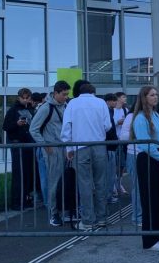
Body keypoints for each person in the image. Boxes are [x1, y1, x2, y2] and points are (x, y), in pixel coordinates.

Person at [60, 82, 111, 230]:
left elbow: (66, 127)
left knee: (85, 184)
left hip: (80, 147)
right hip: (99, 146)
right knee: (101, 182)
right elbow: (107, 126)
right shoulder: (101, 102)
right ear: (93, 92)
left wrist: (68, 147)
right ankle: (102, 217)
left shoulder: (72, 104)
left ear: (79, 92)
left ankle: (88, 220)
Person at [132, 86, 159, 251]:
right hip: (148, 161)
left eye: (156, 94)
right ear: (144, 98)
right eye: (152, 95)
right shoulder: (140, 118)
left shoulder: (156, 115)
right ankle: (150, 240)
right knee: (150, 200)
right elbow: (146, 144)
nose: (156, 97)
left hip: (158, 159)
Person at [29, 81, 70, 227]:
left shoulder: (65, 106)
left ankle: (64, 210)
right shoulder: (46, 108)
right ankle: (54, 213)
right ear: (56, 93)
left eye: (67, 94)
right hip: (53, 150)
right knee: (54, 182)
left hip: (65, 149)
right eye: (64, 94)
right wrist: (45, 145)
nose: (66, 97)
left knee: (65, 181)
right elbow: (33, 129)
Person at [3, 88, 36, 210]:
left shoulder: (30, 110)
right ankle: (16, 202)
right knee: (19, 173)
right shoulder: (13, 110)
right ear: (19, 98)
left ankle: (26, 198)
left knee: (27, 173)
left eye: (28, 97)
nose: (26, 100)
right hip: (18, 143)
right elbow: (5, 126)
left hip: (28, 143)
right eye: (24, 97)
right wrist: (16, 124)